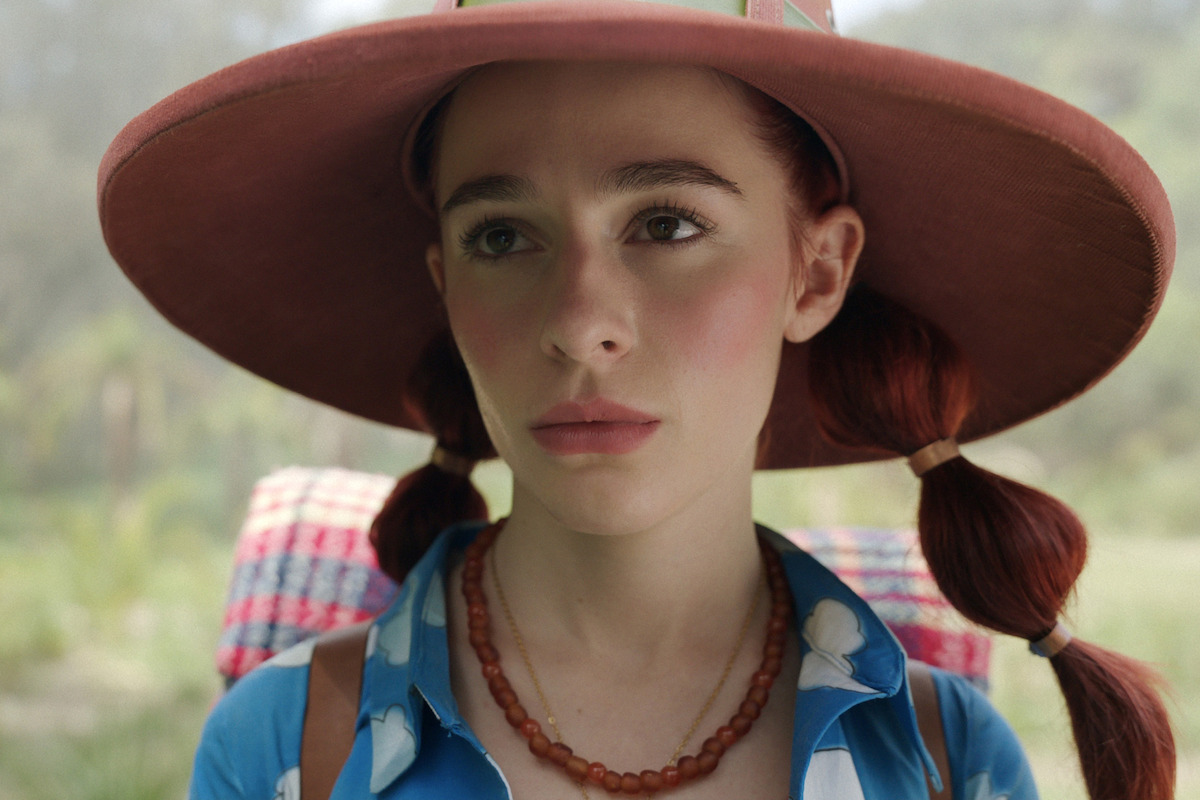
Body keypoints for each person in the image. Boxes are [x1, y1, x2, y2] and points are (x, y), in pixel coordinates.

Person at [97, 1, 1176, 799]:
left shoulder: (945, 762)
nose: (580, 321)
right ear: (446, 285)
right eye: (502, 236)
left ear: (816, 273)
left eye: (666, 224)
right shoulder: (288, 749)